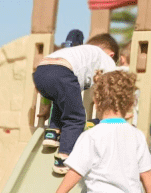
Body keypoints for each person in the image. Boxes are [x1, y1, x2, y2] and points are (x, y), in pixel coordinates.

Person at [33, 33, 121, 175]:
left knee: (62, 99)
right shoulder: (106, 59)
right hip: (62, 72)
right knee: (76, 117)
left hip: (40, 72)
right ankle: (64, 157)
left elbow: (55, 82)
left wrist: (45, 105)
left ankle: (52, 133)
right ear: (111, 54)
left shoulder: (78, 52)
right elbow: (109, 86)